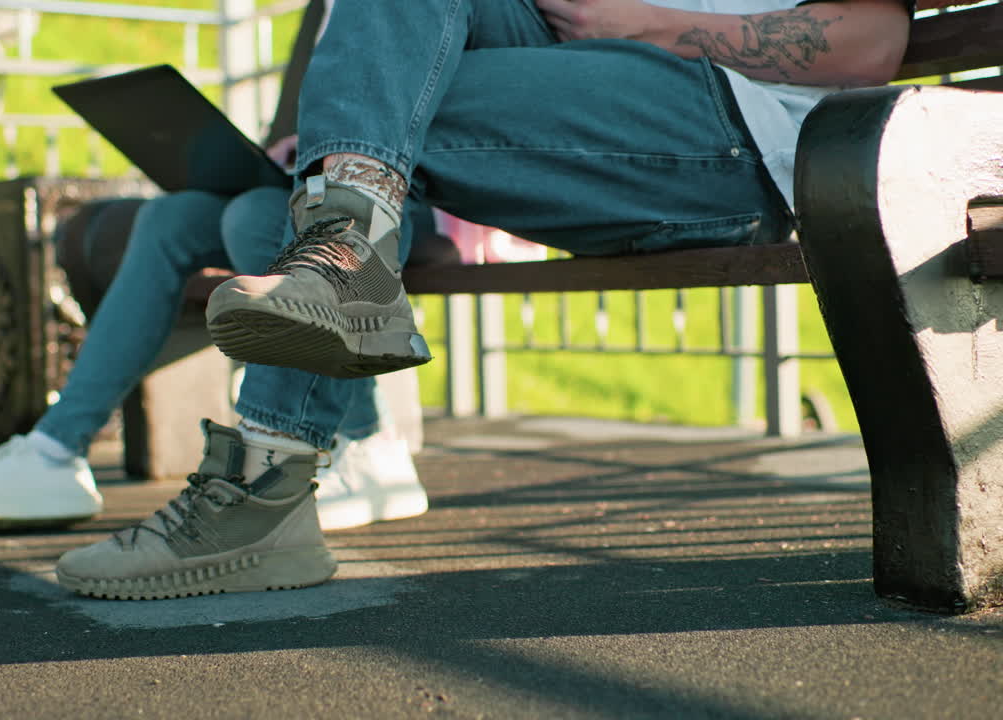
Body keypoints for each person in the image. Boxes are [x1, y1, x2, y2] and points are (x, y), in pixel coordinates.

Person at [49, 0, 913, 600]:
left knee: (378, 102)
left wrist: (645, 23)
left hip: (727, 134)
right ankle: (340, 256)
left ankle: (261, 486)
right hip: (604, 91)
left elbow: (871, 41)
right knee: (321, 153)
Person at [0, 136, 435, 535]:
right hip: (307, 184)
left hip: (393, 195)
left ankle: (370, 442)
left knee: (252, 217)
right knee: (172, 217)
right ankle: (56, 450)